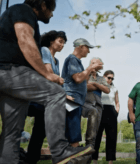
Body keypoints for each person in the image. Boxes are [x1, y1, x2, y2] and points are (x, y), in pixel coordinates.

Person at [0, 1, 94, 163]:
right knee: (56, 93)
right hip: (10, 71)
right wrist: (46, 74)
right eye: (52, 9)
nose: (52, 14)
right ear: (43, 4)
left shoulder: (20, 14)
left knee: (11, 134)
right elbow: (25, 39)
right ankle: (60, 150)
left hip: (11, 82)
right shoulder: (23, 10)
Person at [25, 30, 70, 164]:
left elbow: (56, 80)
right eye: (60, 41)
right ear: (52, 41)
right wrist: (58, 80)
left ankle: (31, 160)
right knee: (19, 128)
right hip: (36, 96)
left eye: (64, 43)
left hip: (48, 101)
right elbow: (48, 72)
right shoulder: (44, 50)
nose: (62, 45)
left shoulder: (57, 60)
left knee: (40, 132)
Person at [61, 38, 102, 148]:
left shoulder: (78, 62)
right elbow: (78, 79)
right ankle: (76, 155)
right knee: (73, 134)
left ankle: (83, 149)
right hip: (71, 101)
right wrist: (90, 67)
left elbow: (83, 83)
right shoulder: (72, 59)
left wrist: (90, 72)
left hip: (77, 101)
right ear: (81, 46)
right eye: (88, 48)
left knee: (74, 132)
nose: (89, 51)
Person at [73, 57, 110, 163]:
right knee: (90, 115)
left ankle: (88, 154)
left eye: (96, 63)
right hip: (85, 104)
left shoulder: (101, 78)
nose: (94, 65)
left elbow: (107, 90)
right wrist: (96, 86)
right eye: (92, 63)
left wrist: (96, 84)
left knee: (95, 131)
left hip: (98, 105)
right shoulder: (84, 74)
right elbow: (83, 87)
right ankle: (84, 146)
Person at [92, 70, 119, 164]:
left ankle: (110, 161)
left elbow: (117, 102)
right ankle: (94, 160)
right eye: (109, 77)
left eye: (112, 78)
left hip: (111, 112)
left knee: (111, 137)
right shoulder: (99, 87)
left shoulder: (114, 88)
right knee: (97, 136)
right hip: (100, 110)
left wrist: (117, 111)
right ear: (104, 77)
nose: (110, 80)